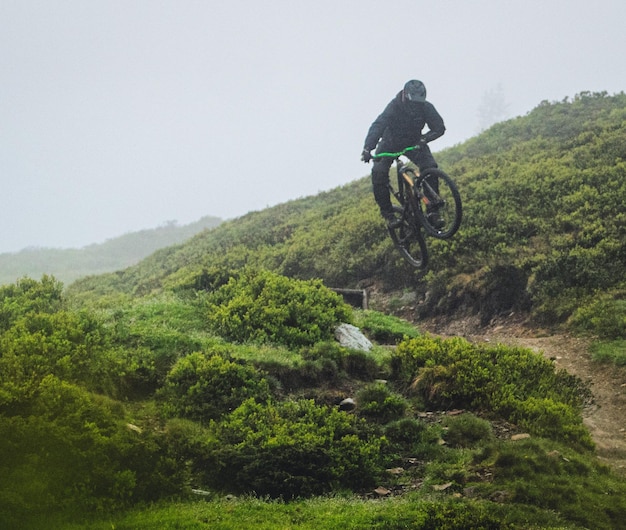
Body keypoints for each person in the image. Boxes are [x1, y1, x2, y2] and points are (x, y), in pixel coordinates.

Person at [361, 79, 446, 228]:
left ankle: (433, 211)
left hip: (414, 142)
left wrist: (424, 139)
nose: (417, 106)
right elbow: (379, 125)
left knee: (430, 166)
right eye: (414, 102)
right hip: (390, 143)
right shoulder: (394, 106)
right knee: (379, 172)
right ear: (406, 96)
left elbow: (439, 128)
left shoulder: (426, 107)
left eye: (420, 102)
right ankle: (388, 214)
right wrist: (368, 148)